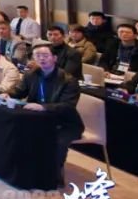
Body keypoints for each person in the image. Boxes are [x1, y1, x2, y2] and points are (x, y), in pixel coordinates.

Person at [7, 43, 83, 186]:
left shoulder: (68, 80)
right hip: (37, 120)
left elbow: (68, 106)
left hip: (64, 123)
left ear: (54, 58)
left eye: (45, 55)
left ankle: (54, 178)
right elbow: (19, 91)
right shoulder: (31, 74)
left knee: (56, 142)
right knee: (14, 131)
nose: (41, 59)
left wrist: (43, 107)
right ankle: (23, 171)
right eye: (38, 55)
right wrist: (7, 94)